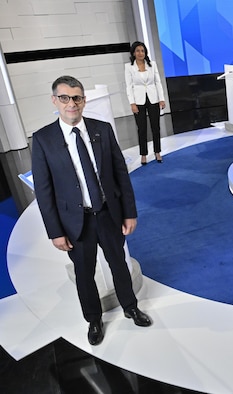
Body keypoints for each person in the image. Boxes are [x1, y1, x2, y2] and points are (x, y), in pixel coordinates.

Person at [32, 75, 152, 346]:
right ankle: (94, 320)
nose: (71, 104)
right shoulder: (43, 140)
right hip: (75, 222)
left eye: (76, 98)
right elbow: (44, 190)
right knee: (84, 274)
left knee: (119, 264)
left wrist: (129, 212)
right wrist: (55, 231)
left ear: (84, 101)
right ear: (55, 101)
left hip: (108, 214)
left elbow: (121, 173)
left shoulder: (103, 130)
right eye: (64, 98)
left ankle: (130, 307)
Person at [125, 41, 166, 165]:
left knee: (156, 127)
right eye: (137, 51)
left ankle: (157, 152)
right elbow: (129, 86)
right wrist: (132, 103)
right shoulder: (129, 67)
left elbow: (157, 82)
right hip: (138, 101)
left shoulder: (152, 65)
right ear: (133, 53)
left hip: (153, 99)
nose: (140, 53)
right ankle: (143, 154)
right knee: (142, 128)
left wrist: (161, 98)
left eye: (142, 51)